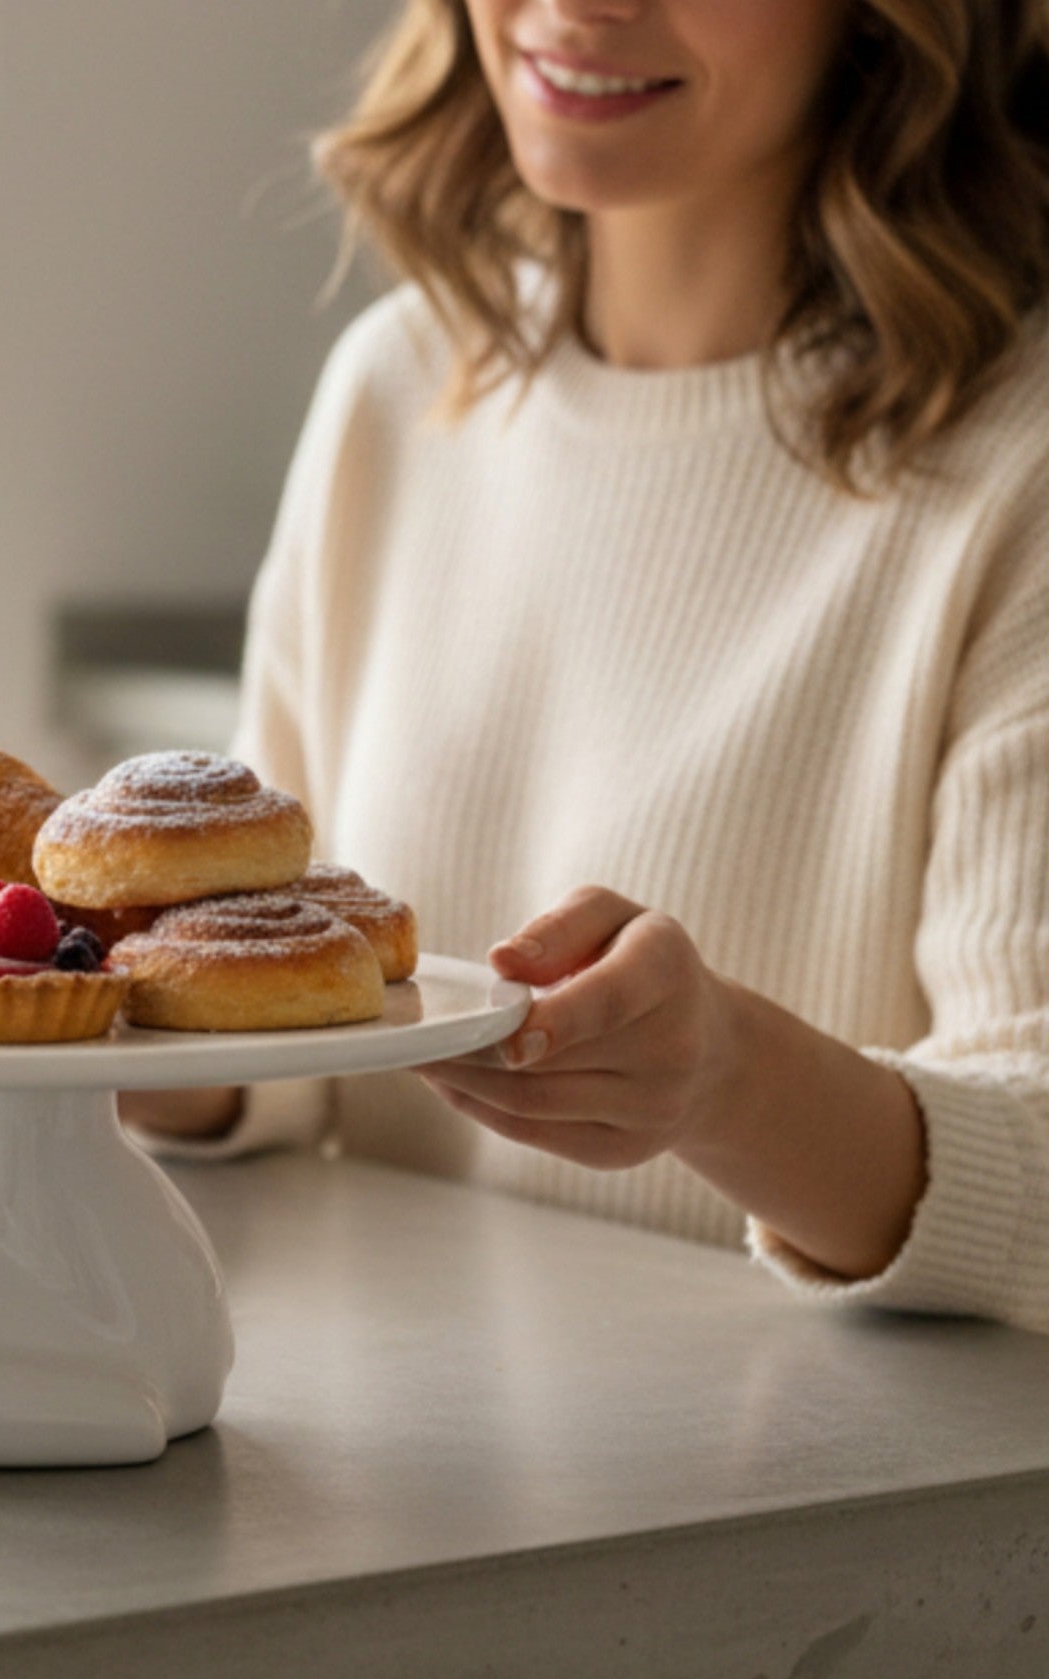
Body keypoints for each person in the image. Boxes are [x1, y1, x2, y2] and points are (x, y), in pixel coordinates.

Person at [127, 0, 1049, 1334]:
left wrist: (732, 1082)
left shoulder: (1019, 470)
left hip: (818, 1517)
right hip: (389, 1477)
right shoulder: (398, 388)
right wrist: (109, 1042)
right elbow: (298, 1044)